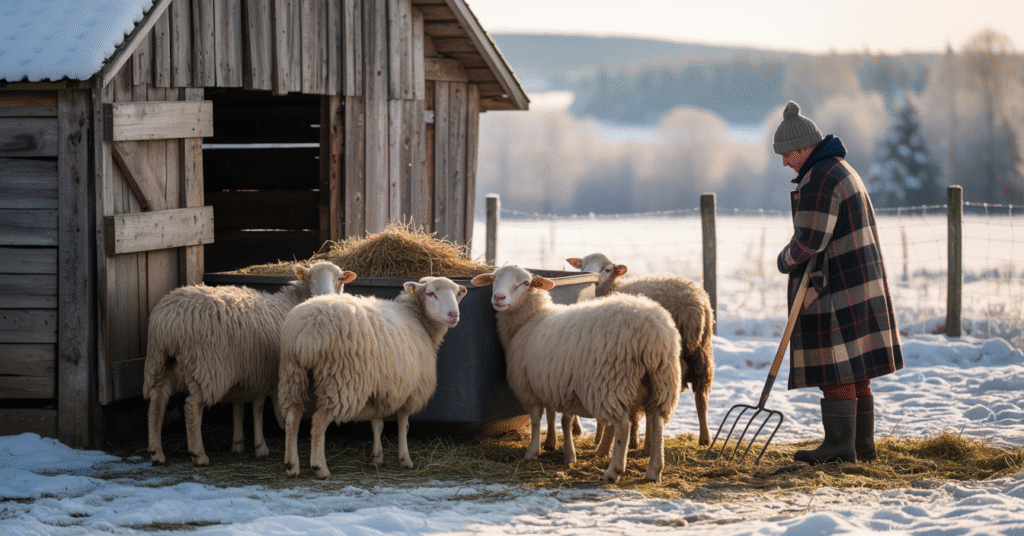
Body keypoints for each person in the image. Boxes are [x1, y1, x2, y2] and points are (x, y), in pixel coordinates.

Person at [772, 101, 904, 465]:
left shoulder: (820, 178)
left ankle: (839, 447)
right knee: (856, 366)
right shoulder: (839, 169)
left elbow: (810, 240)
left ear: (802, 148)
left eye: (786, 155)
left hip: (837, 285)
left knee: (836, 369)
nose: (784, 163)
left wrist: (784, 260)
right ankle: (861, 446)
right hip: (858, 280)